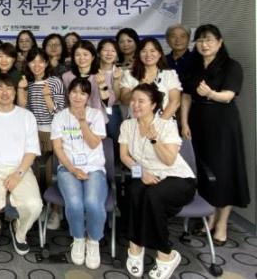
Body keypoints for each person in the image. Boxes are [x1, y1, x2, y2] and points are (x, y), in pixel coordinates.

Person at [180, 24, 250, 245]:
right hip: (197, 123)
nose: (204, 44)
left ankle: (222, 224)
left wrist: (210, 93)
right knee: (203, 171)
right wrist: (184, 122)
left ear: (219, 42)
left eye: (208, 39)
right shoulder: (194, 66)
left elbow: (228, 95)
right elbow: (186, 96)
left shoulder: (231, 66)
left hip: (222, 124)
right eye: (200, 40)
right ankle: (209, 219)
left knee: (223, 172)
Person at [119, 83, 196, 279]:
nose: (135, 105)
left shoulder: (166, 125)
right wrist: (140, 173)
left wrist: (154, 140)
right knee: (133, 192)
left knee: (152, 196)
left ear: (153, 105)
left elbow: (169, 160)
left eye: (141, 101)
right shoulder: (127, 125)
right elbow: (124, 156)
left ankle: (166, 255)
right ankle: (135, 247)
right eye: (133, 100)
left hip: (177, 178)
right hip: (147, 174)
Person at [0, 74, 43, 256]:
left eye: (9, 88)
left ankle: (19, 230)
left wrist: (18, 174)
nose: (4, 93)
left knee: (34, 205)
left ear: (15, 91)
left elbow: (31, 151)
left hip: (21, 168)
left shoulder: (26, 116)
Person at [51, 78, 107, 270]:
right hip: (68, 168)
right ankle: (78, 238)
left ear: (88, 96)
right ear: (68, 94)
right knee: (75, 203)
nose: (77, 96)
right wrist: (73, 169)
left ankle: (93, 241)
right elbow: (58, 148)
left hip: (94, 167)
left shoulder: (96, 115)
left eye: (82, 93)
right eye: (74, 92)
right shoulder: (60, 117)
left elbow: (93, 143)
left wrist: (83, 122)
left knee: (92, 202)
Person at [17, 49, 65, 230]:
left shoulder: (55, 82)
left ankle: (56, 211)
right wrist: (21, 90)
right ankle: (40, 207)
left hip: (52, 133)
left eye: (41, 61)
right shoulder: (27, 83)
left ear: (46, 63)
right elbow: (22, 110)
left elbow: (60, 112)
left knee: (52, 174)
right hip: (33, 134)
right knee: (35, 174)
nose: (37, 65)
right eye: (33, 62)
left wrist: (47, 96)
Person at [120, 38, 181, 121]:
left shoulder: (169, 74)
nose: (148, 54)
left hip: (164, 123)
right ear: (138, 54)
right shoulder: (129, 74)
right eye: (144, 51)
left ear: (159, 54)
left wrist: (159, 123)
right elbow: (124, 100)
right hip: (135, 123)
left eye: (152, 51)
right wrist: (139, 87)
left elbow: (175, 102)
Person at [61, 41, 115, 120]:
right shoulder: (66, 76)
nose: (81, 58)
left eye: (85, 54)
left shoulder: (102, 74)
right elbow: (66, 101)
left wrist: (102, 85)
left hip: (96, 120)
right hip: (73, 119)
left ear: (92, 57)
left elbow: (109, 103)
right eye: (77, 55)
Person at [97, 39, 123, 143]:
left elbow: (116, 99)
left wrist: (116, 80)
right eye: (105, 50)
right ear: (99, 52)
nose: (109, 54)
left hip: (112, 108)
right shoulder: (92, 70)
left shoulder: (119, 71)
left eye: (113, 51)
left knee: (114, 137)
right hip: (94, 108)